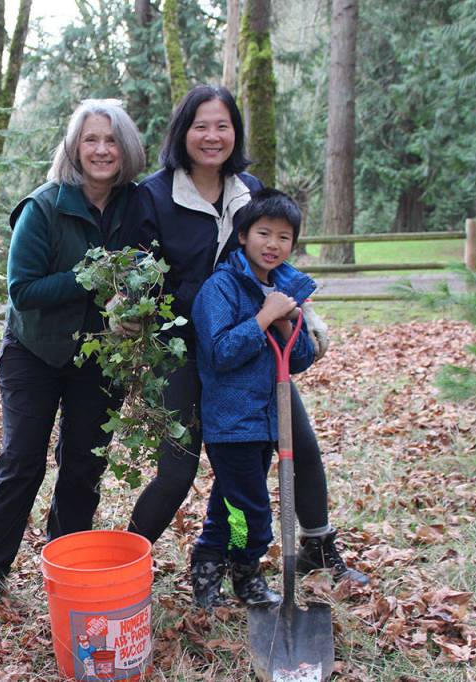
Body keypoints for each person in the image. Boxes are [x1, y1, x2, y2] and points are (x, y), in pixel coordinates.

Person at [123, 84, 367, 587]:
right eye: (201, 126)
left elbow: (271, 257)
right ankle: (127, 560)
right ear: (183, 131)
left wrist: (301, 312)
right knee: (179, 466)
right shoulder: (153, 194)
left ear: (235, 132)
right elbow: (138, 272)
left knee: (293, 443)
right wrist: (126, 312)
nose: (212, 137)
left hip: (251, 347)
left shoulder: (249, 189)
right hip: (186, 350)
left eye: (223, 126)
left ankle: (312, 545)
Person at [0, 99, 148, 610]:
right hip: (34, 353)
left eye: (111, 140)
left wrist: (133, 301)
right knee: (23, 459)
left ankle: (64, 563)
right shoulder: (43, 206)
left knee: (83, 466)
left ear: (126, 148)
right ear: (73, 146)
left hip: (99, 357)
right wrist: (94, 279)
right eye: (91, 139)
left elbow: (155, 265)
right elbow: (22, 289)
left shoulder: (136, 205)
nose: (101, 149)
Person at [190, 188, 315, 608]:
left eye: (284, 237)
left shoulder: (283, 291)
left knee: (231, 507)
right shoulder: (220, 289)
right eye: (264, 233)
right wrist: (264, 317)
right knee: (252, 515)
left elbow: (297, 360)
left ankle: (211, 571)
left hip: (265, 421)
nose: (273, 245)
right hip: (232, 423)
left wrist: (286, 324)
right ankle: (246, 569)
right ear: (243, 235)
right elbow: (220, 352)